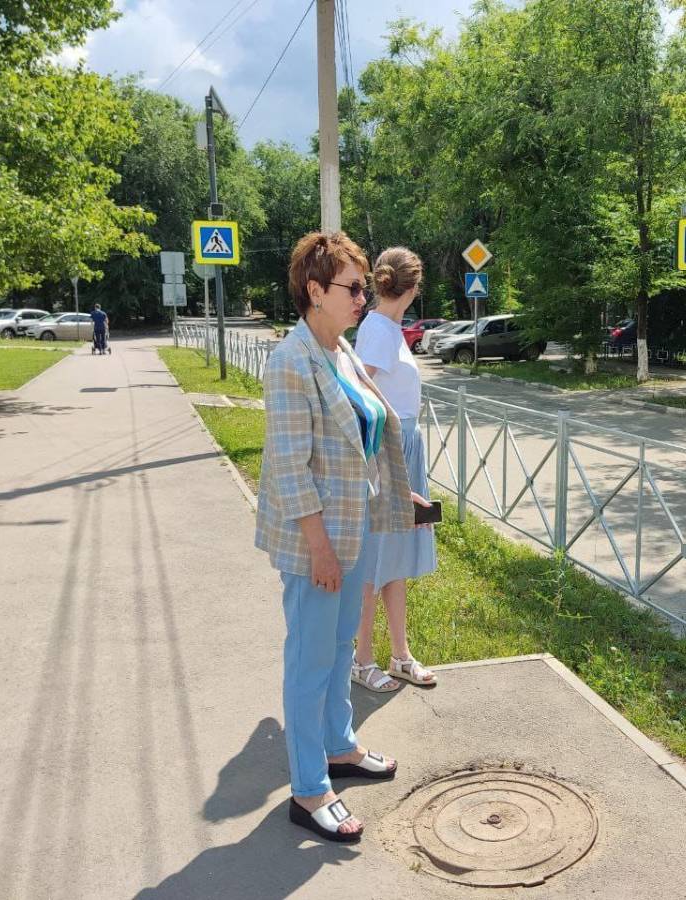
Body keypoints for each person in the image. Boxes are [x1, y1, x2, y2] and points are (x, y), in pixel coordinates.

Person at [255, 230, 429, 843]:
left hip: (354, 528)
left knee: (336, 650)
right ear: (314, 290)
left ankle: (338, 746)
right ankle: (308, 789)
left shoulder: (341, 350)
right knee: (309, 660)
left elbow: (364, 435)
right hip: (317, 541)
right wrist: (319, 548)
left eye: (362, 288)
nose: (362, 297)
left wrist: (399, 494)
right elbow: (289, 467)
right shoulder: (291, 360)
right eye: (352, 288)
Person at [350, 247, 439, 693]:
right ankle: (361, 659)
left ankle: (400, 655)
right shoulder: (379, 331)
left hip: (403, 445)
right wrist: (386, 459)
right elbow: (357, 393)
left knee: (395, 557)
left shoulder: (386, 328)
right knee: (374, 559)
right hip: (390, 450)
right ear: (413, 287)